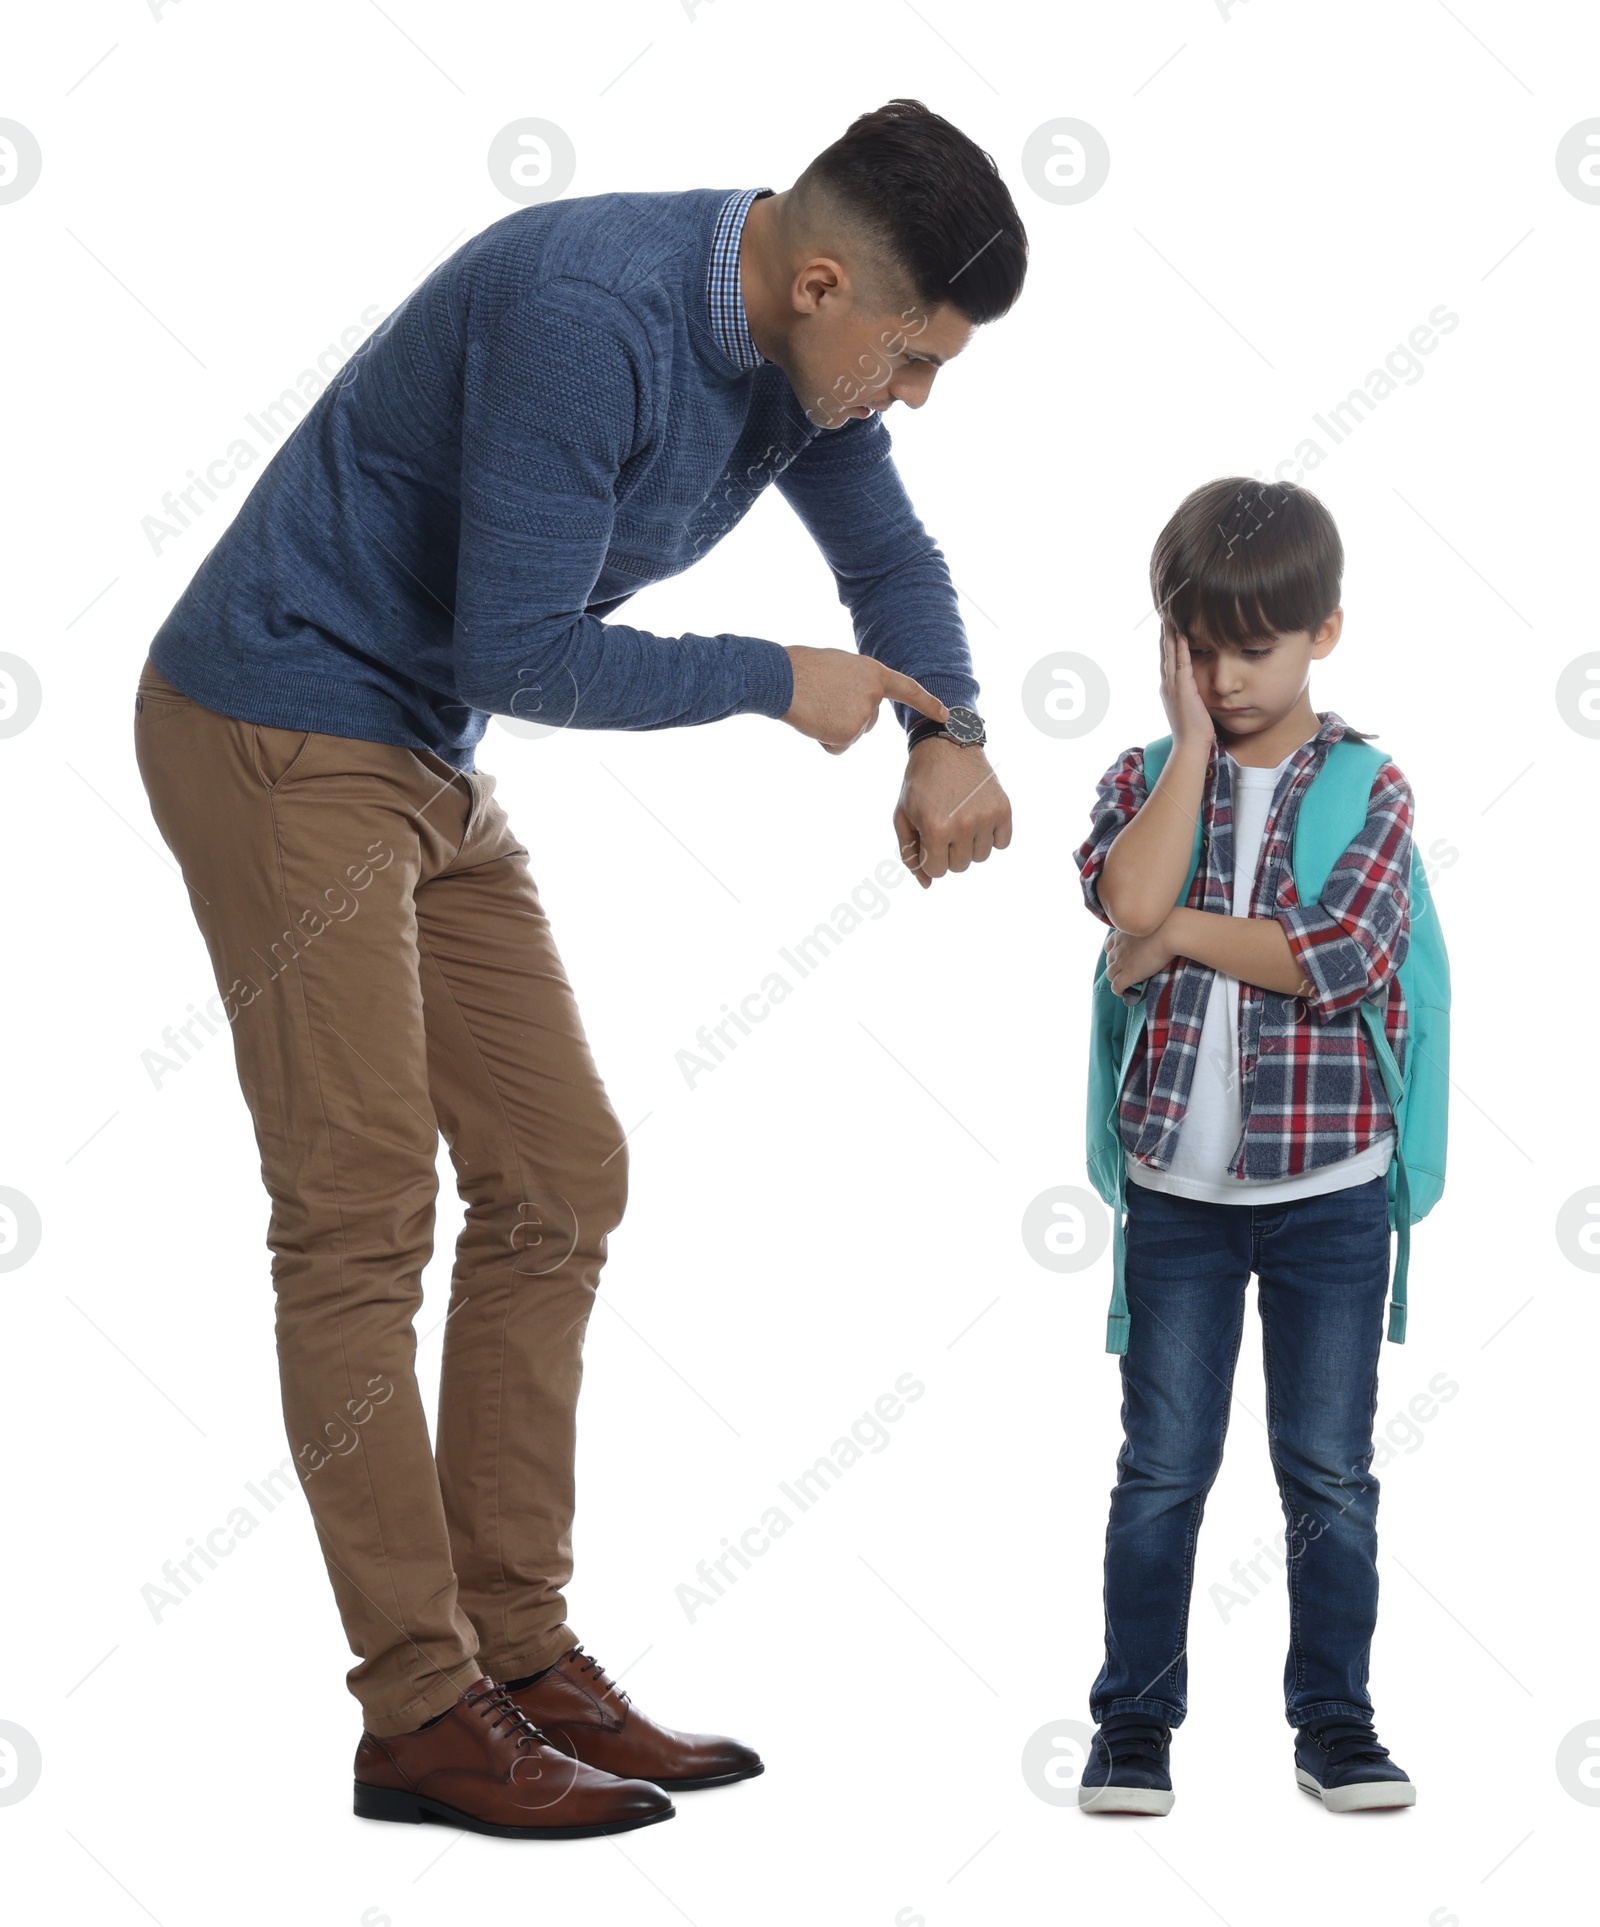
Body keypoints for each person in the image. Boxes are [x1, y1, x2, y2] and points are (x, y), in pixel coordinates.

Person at [131, 99, 1023, 1839]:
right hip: (276, 723)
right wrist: (782, 680)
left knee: (558, 1172)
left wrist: (949, 733)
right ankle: (420, 1711)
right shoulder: (590, 318)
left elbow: (889, 556)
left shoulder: (799, 350)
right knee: (362, 1206)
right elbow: (523, 645)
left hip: (417, 755)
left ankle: (520, 1656)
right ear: (827, 280)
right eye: (913, 361)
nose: (910, 401)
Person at [1071, 477, 1419, 1815]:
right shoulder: (1145, 777)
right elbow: (1126, 896)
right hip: (1177, 1195)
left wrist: (1171, 942)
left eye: (1252, 647)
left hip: (1332, 1192)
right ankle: (1133, 1727)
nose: (1221, 673)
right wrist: (1193, 755)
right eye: (1198, 645)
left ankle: (1335, 1721)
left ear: (1324, 632)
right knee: (1163, 1468)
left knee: (1326, 1468)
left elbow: (1338, 957)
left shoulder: (1372, 786)